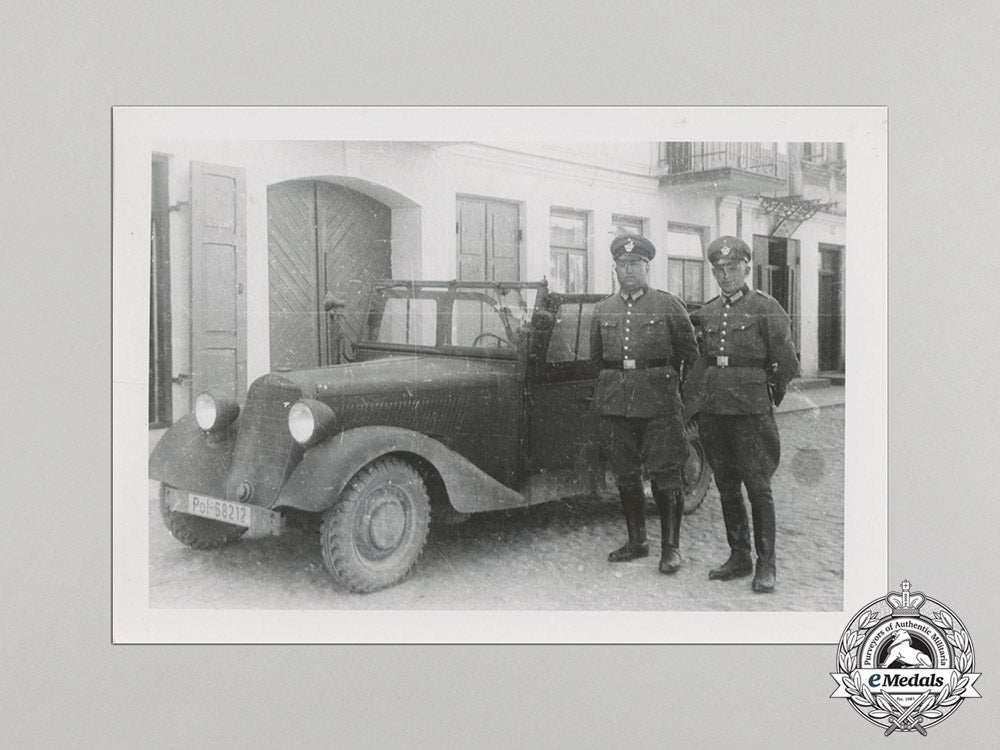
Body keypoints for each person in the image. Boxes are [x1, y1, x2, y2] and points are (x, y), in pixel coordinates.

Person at [686, 235, 799, 593]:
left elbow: (787, 362)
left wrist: (768, 397)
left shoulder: (766, 308)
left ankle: (767, 565)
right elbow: (701, 360)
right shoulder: (707, 312)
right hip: (715, 410)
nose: (725, 275)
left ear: (747, 268)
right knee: (726, 486)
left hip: (750, 412)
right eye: (718, 269)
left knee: (758, 487)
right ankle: (739, 557)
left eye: (732, 268)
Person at [589, 233, 698, 574]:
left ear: (647, 267)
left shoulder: (667, 305)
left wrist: (675, 396)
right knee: (626, 475)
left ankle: (670, 548)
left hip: (659, 405)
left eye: (635, 264)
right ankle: (638, 541)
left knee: (667, 476)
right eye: (623, 264)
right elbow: (597, 360)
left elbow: (690, 355)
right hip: (617, 405)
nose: (629, 269)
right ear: (615, 268)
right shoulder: (603, 309)